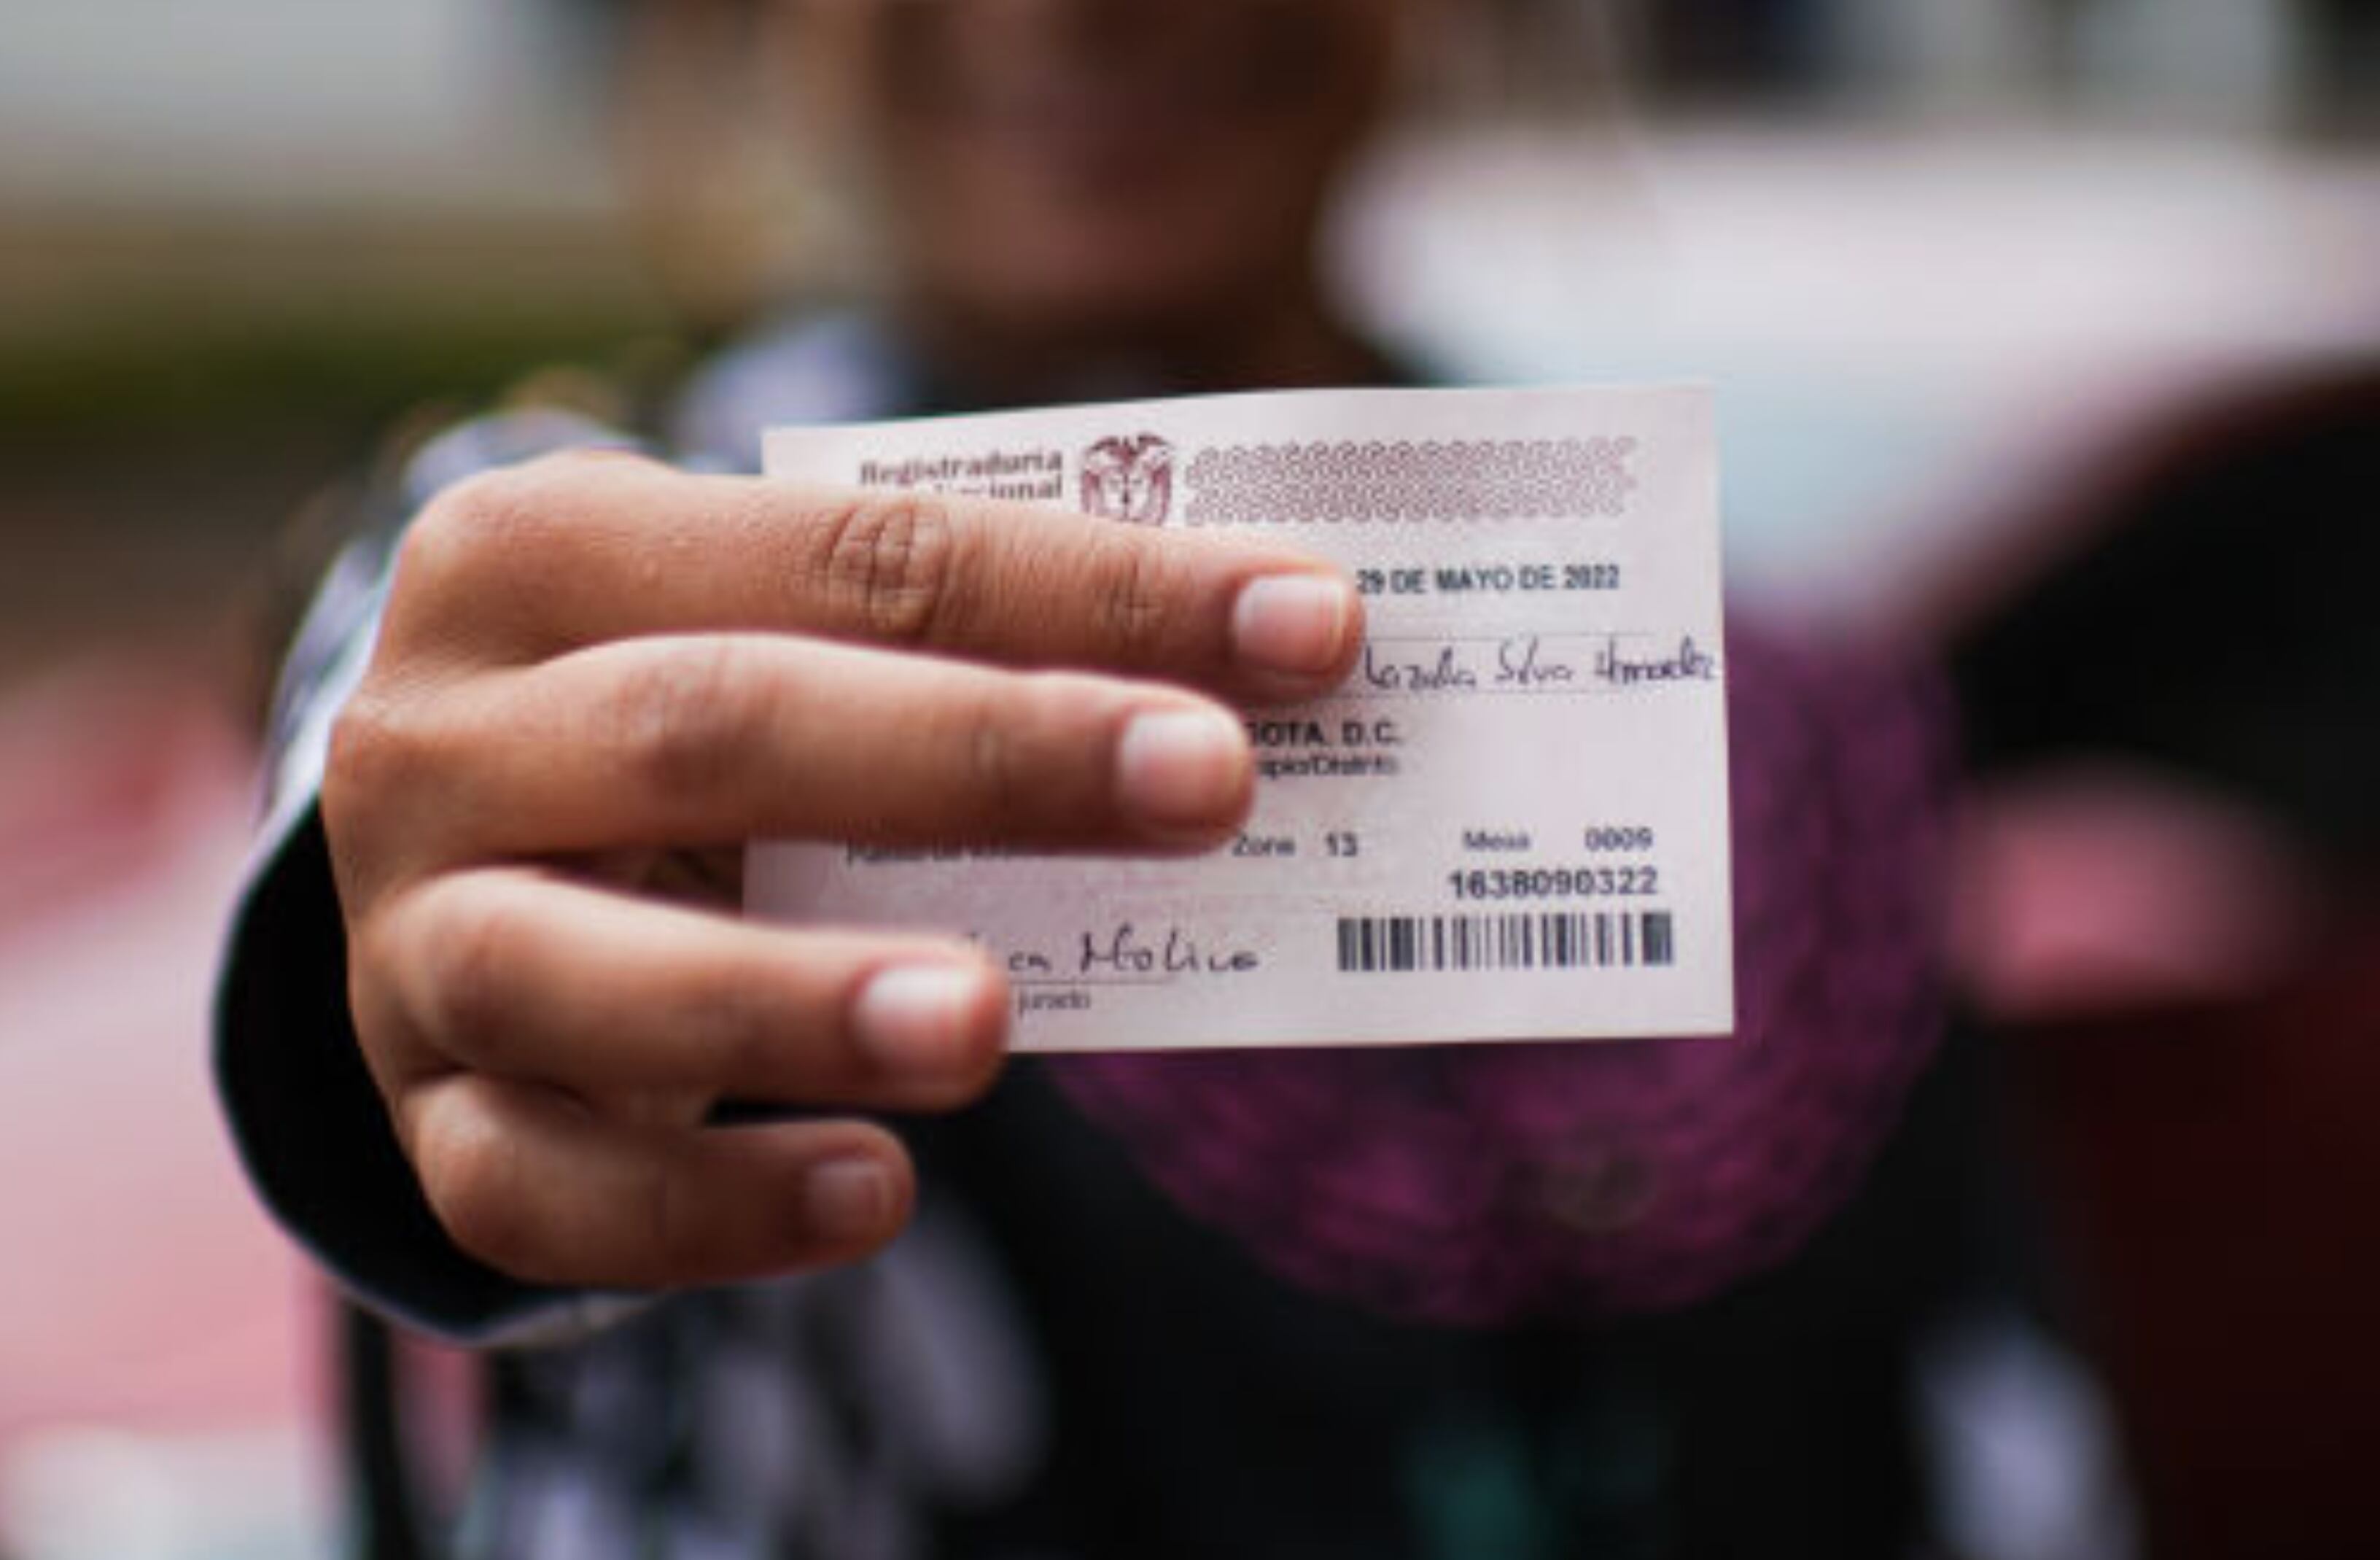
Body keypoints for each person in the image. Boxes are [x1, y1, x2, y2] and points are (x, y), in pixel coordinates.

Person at [217, 2, 1952, 1553]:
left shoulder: (1766, 705)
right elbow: (414, 689)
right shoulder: (607, 564)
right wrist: (410, 966)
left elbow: (1981, 1441)